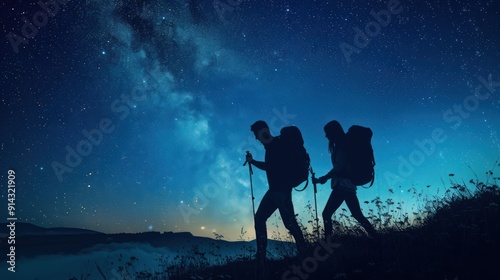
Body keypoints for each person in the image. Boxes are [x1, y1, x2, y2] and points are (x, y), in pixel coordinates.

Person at [245, 120, 307, 263]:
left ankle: (262, 256)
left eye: (257, 134)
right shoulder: (275, 146)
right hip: (279, 190)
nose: (257, 138)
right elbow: (271, 166)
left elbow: (271, 166)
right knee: (285, 222)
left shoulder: (276, 147)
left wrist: (253, 161)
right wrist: (253, 161)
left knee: (285, 222)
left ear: (264, 132)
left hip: (279, 191)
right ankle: (302, 251)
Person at [313, 120, 376, 239]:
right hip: (349, 186)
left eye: (327, 133)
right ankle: (376, 237)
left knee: (326, 214)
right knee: (357, 215)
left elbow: (338, 168)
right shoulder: (344, 144)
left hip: (342, 185)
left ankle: (328, 243)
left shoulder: (341, 145)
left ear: (333, 132)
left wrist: (323, 178)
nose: (326, 136)